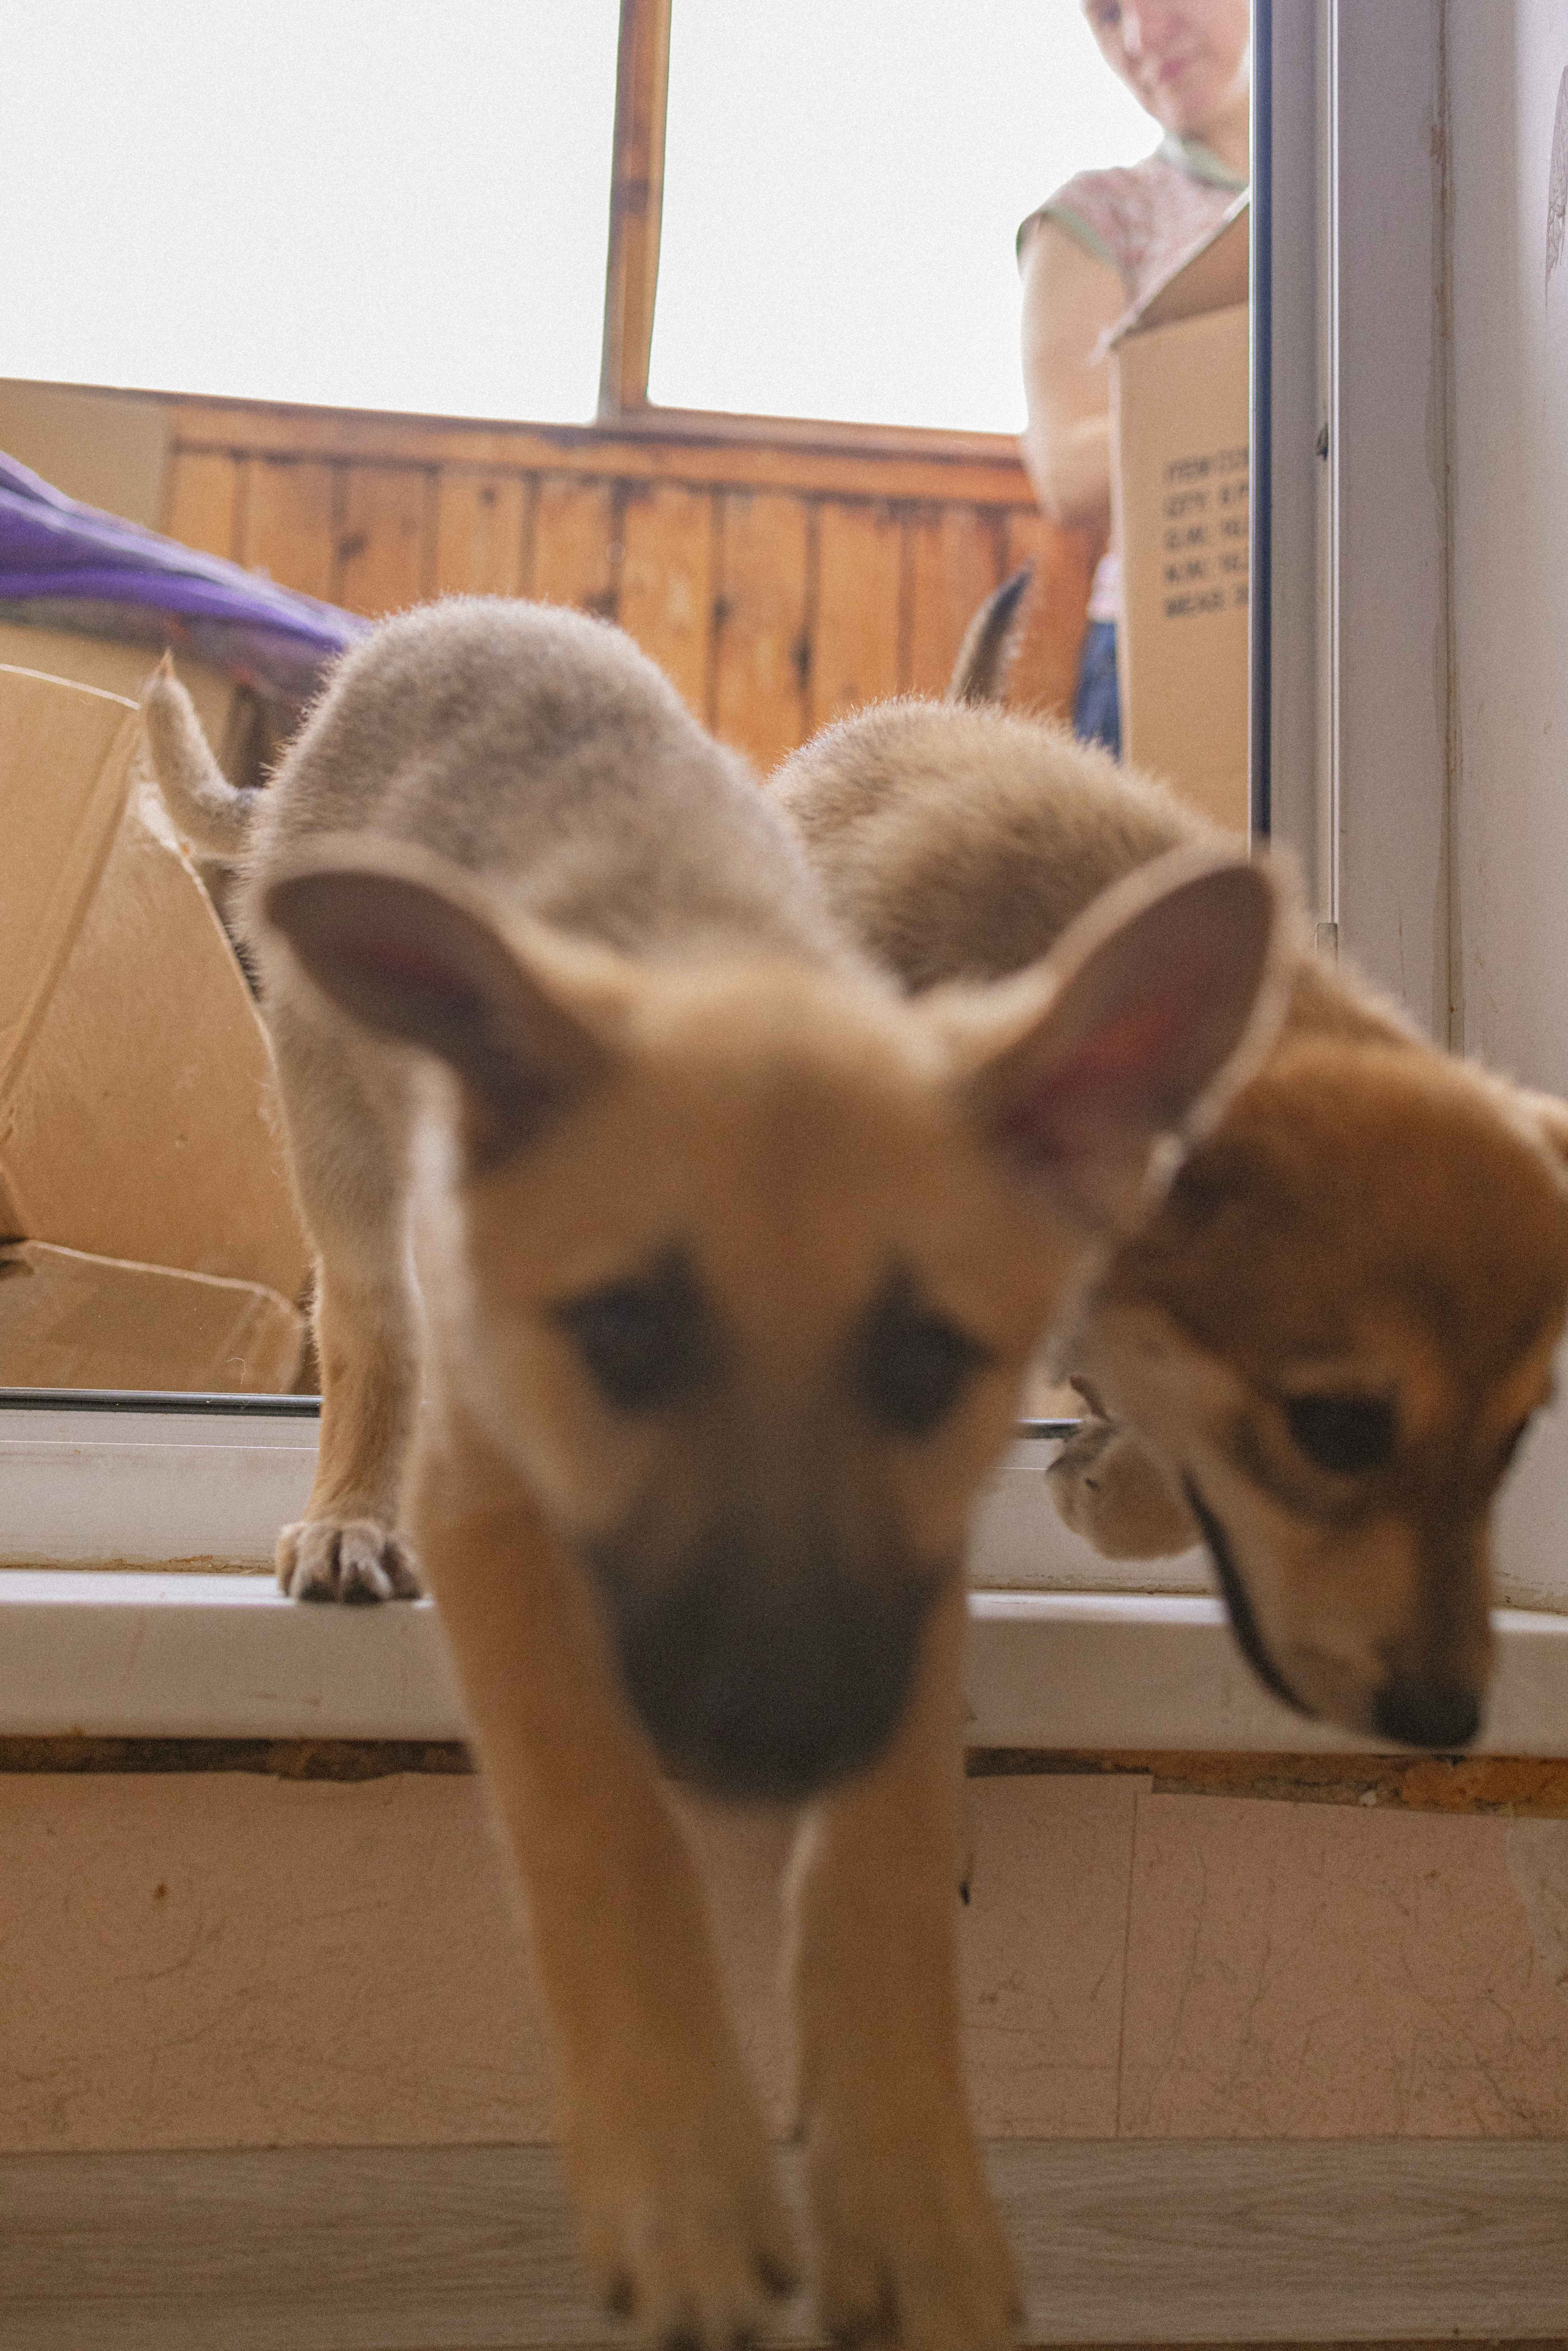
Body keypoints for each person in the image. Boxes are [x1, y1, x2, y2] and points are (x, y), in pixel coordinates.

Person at [1018, 0, 1250, 755]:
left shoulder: (1367, 190)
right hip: (1172, 632)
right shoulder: (1100, 215)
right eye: (1108, 14)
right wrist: (1281, 406)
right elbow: (1066, 469)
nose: (1141, 38)